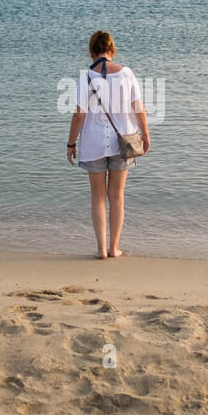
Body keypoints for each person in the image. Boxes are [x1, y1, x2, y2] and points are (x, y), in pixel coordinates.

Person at [65, 30, 150, 259]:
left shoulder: (85, 77)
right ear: (112, 50)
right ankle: (114, 248)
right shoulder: (127, 74)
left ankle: (101, 249)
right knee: (117, 196)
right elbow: (139, 109)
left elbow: (79, 116)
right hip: (123, 142)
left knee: (97, 196)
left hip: (93, 145)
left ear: (91, 51)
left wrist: (71, 144)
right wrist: (145, 135)